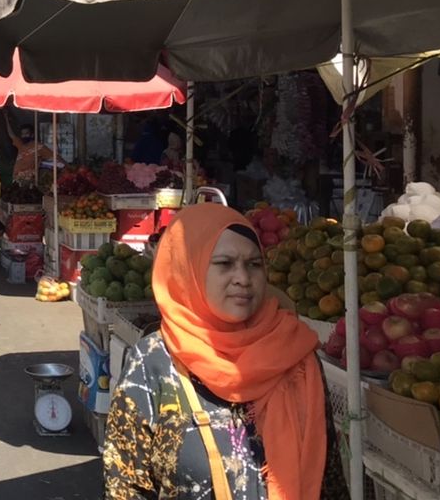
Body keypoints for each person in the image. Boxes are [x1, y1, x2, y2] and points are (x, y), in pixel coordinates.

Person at [104, 204, 347, 500]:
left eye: (254, 264)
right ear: (188, 268)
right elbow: (126, 487)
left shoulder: (296, 356)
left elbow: (330, 479)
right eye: (224, 263)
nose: (243, 278)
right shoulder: (154, 362)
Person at [5, 113, 53, 185]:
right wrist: (6, 119)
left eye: (26, 133)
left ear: (32, 135)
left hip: (28, 181)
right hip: (16, 180)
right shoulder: (20, 144)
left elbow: (54, 157)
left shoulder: (39, 146)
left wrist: (68, 167)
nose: (24, 136)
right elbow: (11, 134)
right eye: (22, 134)